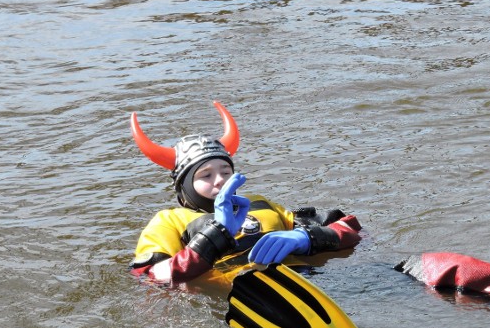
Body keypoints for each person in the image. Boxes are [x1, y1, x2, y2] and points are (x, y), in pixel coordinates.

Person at [129, 102, 362, 286]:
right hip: (243, 298)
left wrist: (307, 239)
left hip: (309, 283)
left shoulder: (261, 204)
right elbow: (149, 277)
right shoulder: (168, 221)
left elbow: (352, 231)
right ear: (185, 186)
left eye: (225, 171)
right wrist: (216, 236)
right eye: (206, 176)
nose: (220, 180)